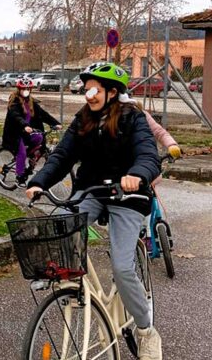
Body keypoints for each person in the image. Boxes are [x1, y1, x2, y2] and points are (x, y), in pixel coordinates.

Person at [25, 62, 163, 360]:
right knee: (61, 222)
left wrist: (137, 174)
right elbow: (62, 155)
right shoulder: (83, 120)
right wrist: (39, 182)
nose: (88, 95)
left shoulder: (133, 118)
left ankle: (146, 331)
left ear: (112, 92)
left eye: (94, 89)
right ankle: (68, 282)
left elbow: (149, 155)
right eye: (86, 88)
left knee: (123, 268)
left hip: (129, 195)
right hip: (92, 191)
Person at [1, 77, 62, 188]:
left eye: (28, 89)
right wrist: (25, 126)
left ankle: (29, 157)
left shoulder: (32, 102)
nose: (26, 91)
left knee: (39, 138)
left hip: (27, 133)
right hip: (15, 134)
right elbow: (16, 116)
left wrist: (55, 123)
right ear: (19, 89)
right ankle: (19, 177)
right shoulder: (14, 103)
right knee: (22, 153)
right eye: (24, 89)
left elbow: (44, 115)